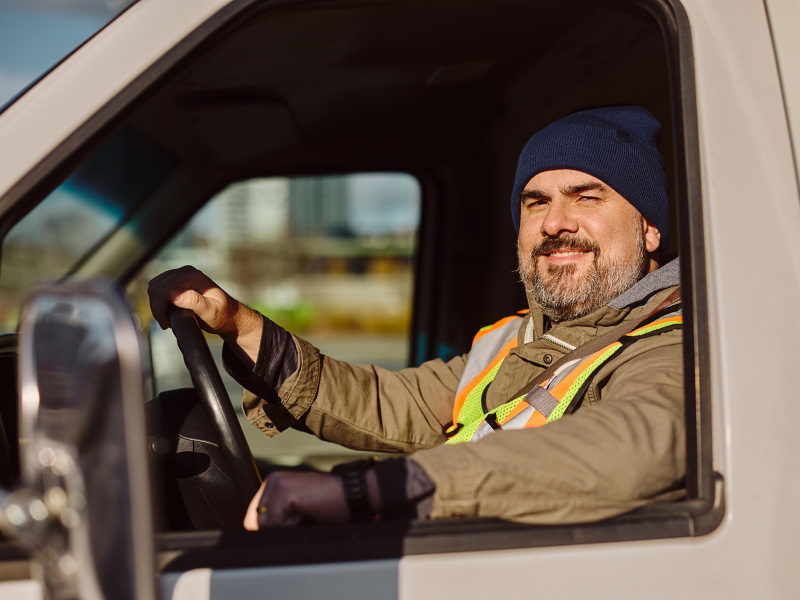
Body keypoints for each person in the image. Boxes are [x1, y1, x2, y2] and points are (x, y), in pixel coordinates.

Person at [148, 105, 684, 529]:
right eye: (535, 202)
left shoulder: (678, 343)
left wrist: (368, 492)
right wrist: (239, 325)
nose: (554, 223)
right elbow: (390, 404)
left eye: (586, 197)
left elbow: (631, 448)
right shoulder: (519, 335)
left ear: (649, 229)